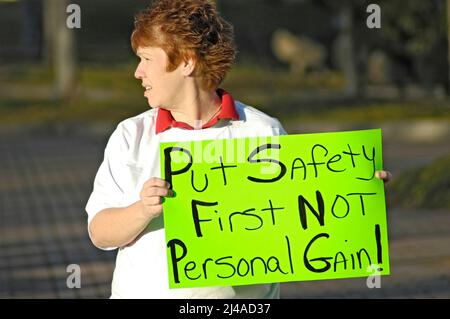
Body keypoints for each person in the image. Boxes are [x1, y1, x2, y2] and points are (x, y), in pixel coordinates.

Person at [86, 0, 392, 299]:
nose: (138, 73)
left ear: (186, 62)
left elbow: (302, 217)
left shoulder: (261, 131)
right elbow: (99, 232)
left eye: (147, 60)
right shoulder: (131, 135)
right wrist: (142, 210)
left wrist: (357, 189)